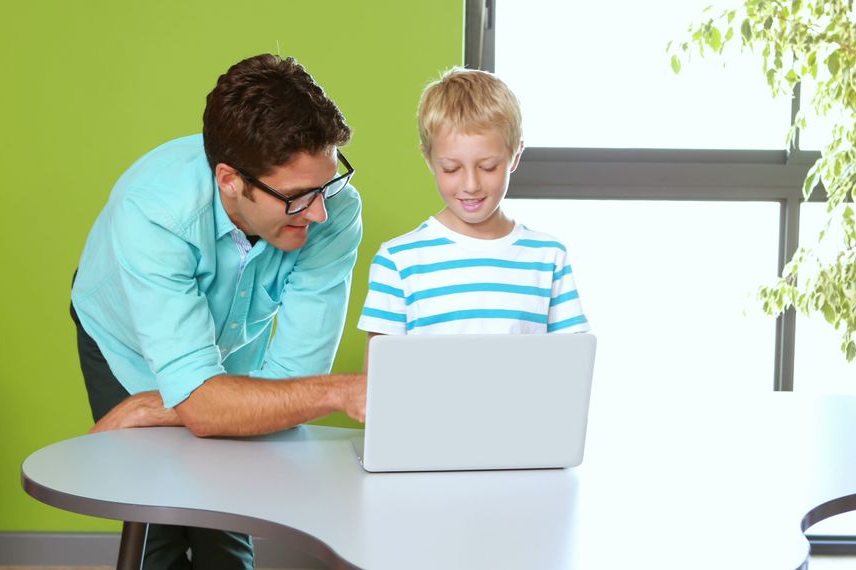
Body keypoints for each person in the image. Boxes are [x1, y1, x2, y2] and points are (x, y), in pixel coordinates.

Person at [69, 54, 366, 570]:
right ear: (230, 179)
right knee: (155, 527)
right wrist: (340, 392)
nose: (319, 212)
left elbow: (293, 382)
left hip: (232, 353)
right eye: (297, 197)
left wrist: (162, 407)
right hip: (124, 339)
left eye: (327, 184)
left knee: (227, 515)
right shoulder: (155, 213)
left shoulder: (333, 211)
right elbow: (216, 408)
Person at [357, 68, 589, 337]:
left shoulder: (548, 257)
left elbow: (571, 366)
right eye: (452, 168)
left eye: (488, 167)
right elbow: (381, 375)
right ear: (429, 159)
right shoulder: (398, 262)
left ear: (515, 156)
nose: (471, 185)